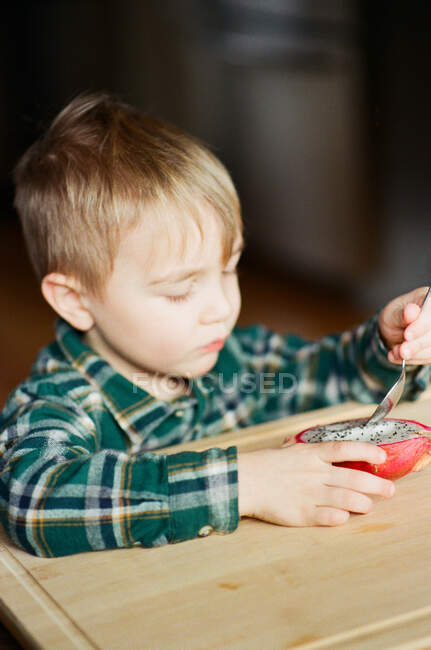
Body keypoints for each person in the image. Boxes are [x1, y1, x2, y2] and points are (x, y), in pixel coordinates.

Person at [1, 93, 430, 558]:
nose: (221, 307)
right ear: (76, 300)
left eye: (229, 269)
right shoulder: (60, 402)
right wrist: (248, 483)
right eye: (180, 290)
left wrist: (385, 346)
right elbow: (32, 499)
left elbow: (329, 377)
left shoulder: (235, 360)